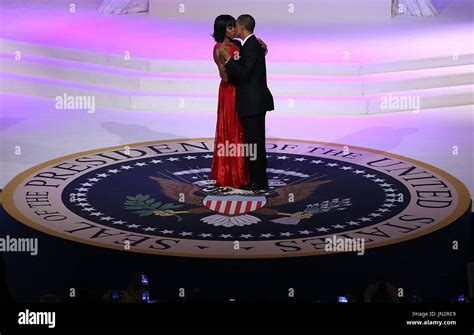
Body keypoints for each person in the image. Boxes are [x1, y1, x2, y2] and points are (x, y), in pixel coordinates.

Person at [218, 14, 274, 192]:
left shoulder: (250, 46)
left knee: (254, 144)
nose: (234, 28)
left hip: (252, 103)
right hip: (256, 102)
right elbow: (254, 62)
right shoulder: (253, 45)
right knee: (257, 142)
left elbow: (243, 74)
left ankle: (258, 182)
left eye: (236, 25)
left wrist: (227, 59)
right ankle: (258, 179)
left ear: (241, 26)